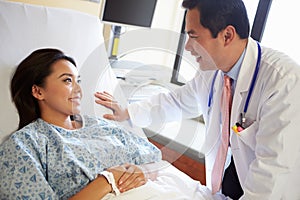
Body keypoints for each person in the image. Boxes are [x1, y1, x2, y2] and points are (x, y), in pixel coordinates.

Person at [95, 0, 300, 199]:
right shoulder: (212, 72)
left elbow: (272, 176)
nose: (187, 47)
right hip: (228, 185)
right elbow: (177, 101)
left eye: (193, 36)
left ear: (227, 35)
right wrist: (129, 112)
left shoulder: (283, 81)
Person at [0, 48, 162, 199]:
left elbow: (154, 158)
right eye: (68, 80)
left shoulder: (101, 126)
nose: (79, 90)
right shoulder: (24, 144)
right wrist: (108, 180)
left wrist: (142, 171)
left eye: (78, 81)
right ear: (38, 91)